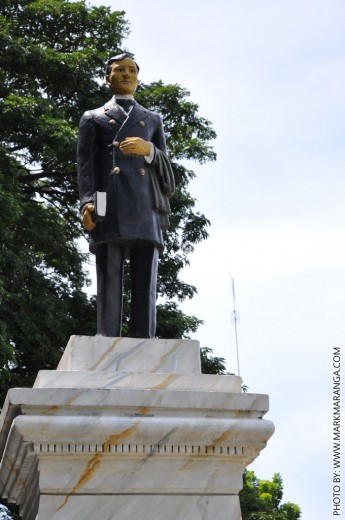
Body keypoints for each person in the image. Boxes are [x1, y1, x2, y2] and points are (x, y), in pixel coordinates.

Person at [77, 53, 175, 338]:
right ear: (108, 78)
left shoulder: (152, 119)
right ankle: (106, 336)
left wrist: (149, 151)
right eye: (120, 70)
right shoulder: (93, 118)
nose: (127, 74)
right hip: (107, 197)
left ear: (138, 78)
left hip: (146, 202)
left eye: (132, 70)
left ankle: (144, 337)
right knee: (109, 266)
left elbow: (167, 167)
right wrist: (88, 202)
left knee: (146, 273)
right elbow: (86, 167)